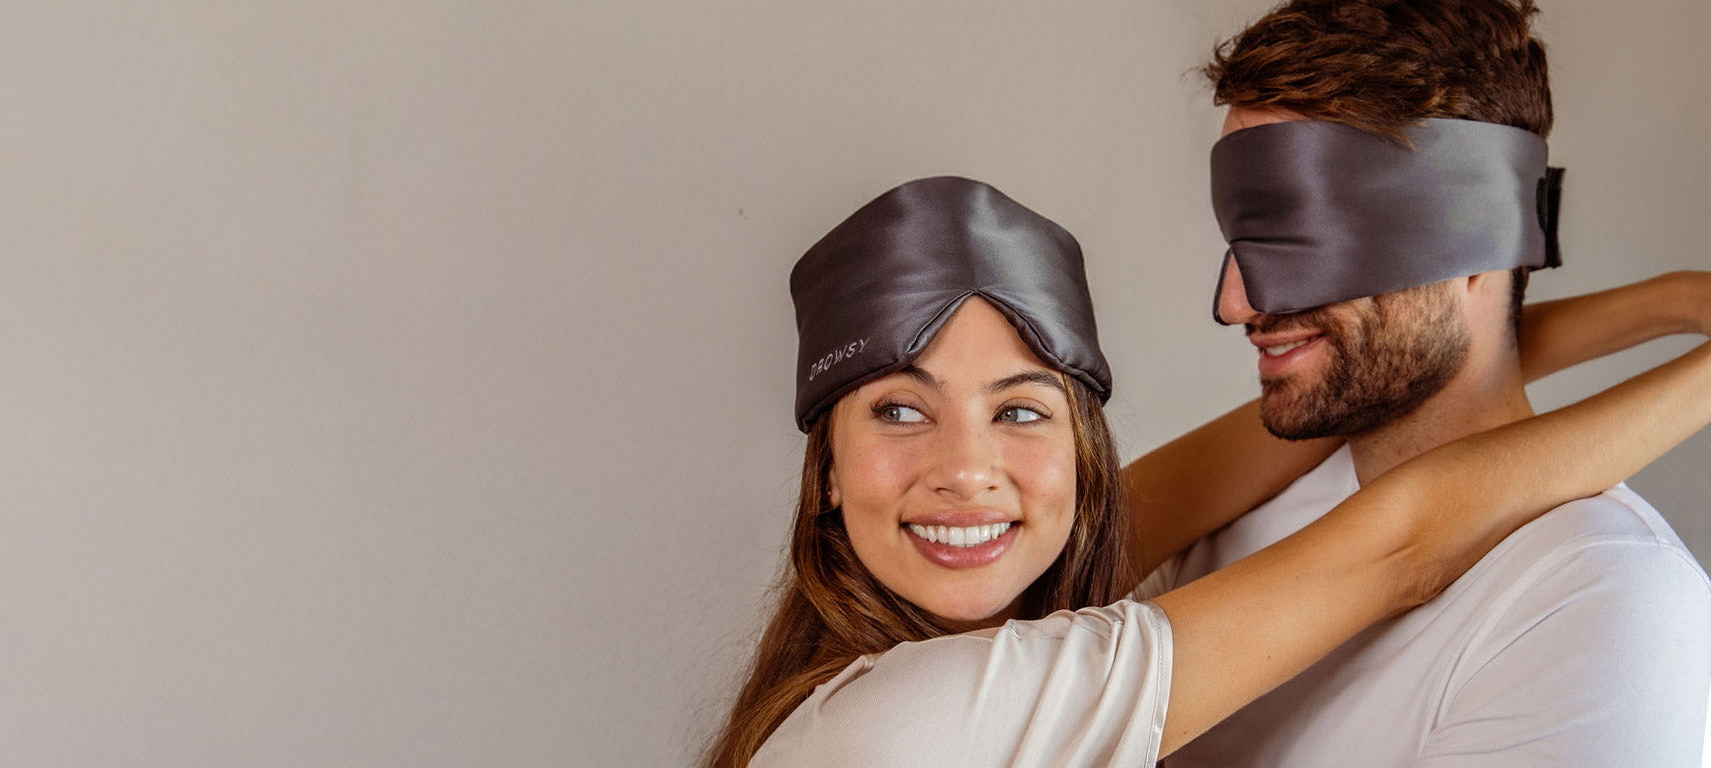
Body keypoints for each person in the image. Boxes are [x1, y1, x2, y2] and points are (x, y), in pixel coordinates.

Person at [699, 175, 1711, 767]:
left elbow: (1336, 406)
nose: (967, 472)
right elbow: (1402, 541)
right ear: (825, 469)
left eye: (1017, 411)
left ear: (1080, 463)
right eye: (898, 411)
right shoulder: (904, 725)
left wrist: (1667, 303)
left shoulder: (1024, 590)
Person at [1142, 1, 1711, 764]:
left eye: (1304, 240)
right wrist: (1668, 300)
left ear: (1476, 234)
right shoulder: (1234, 510)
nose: (1235, 302)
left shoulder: (1601, 603)